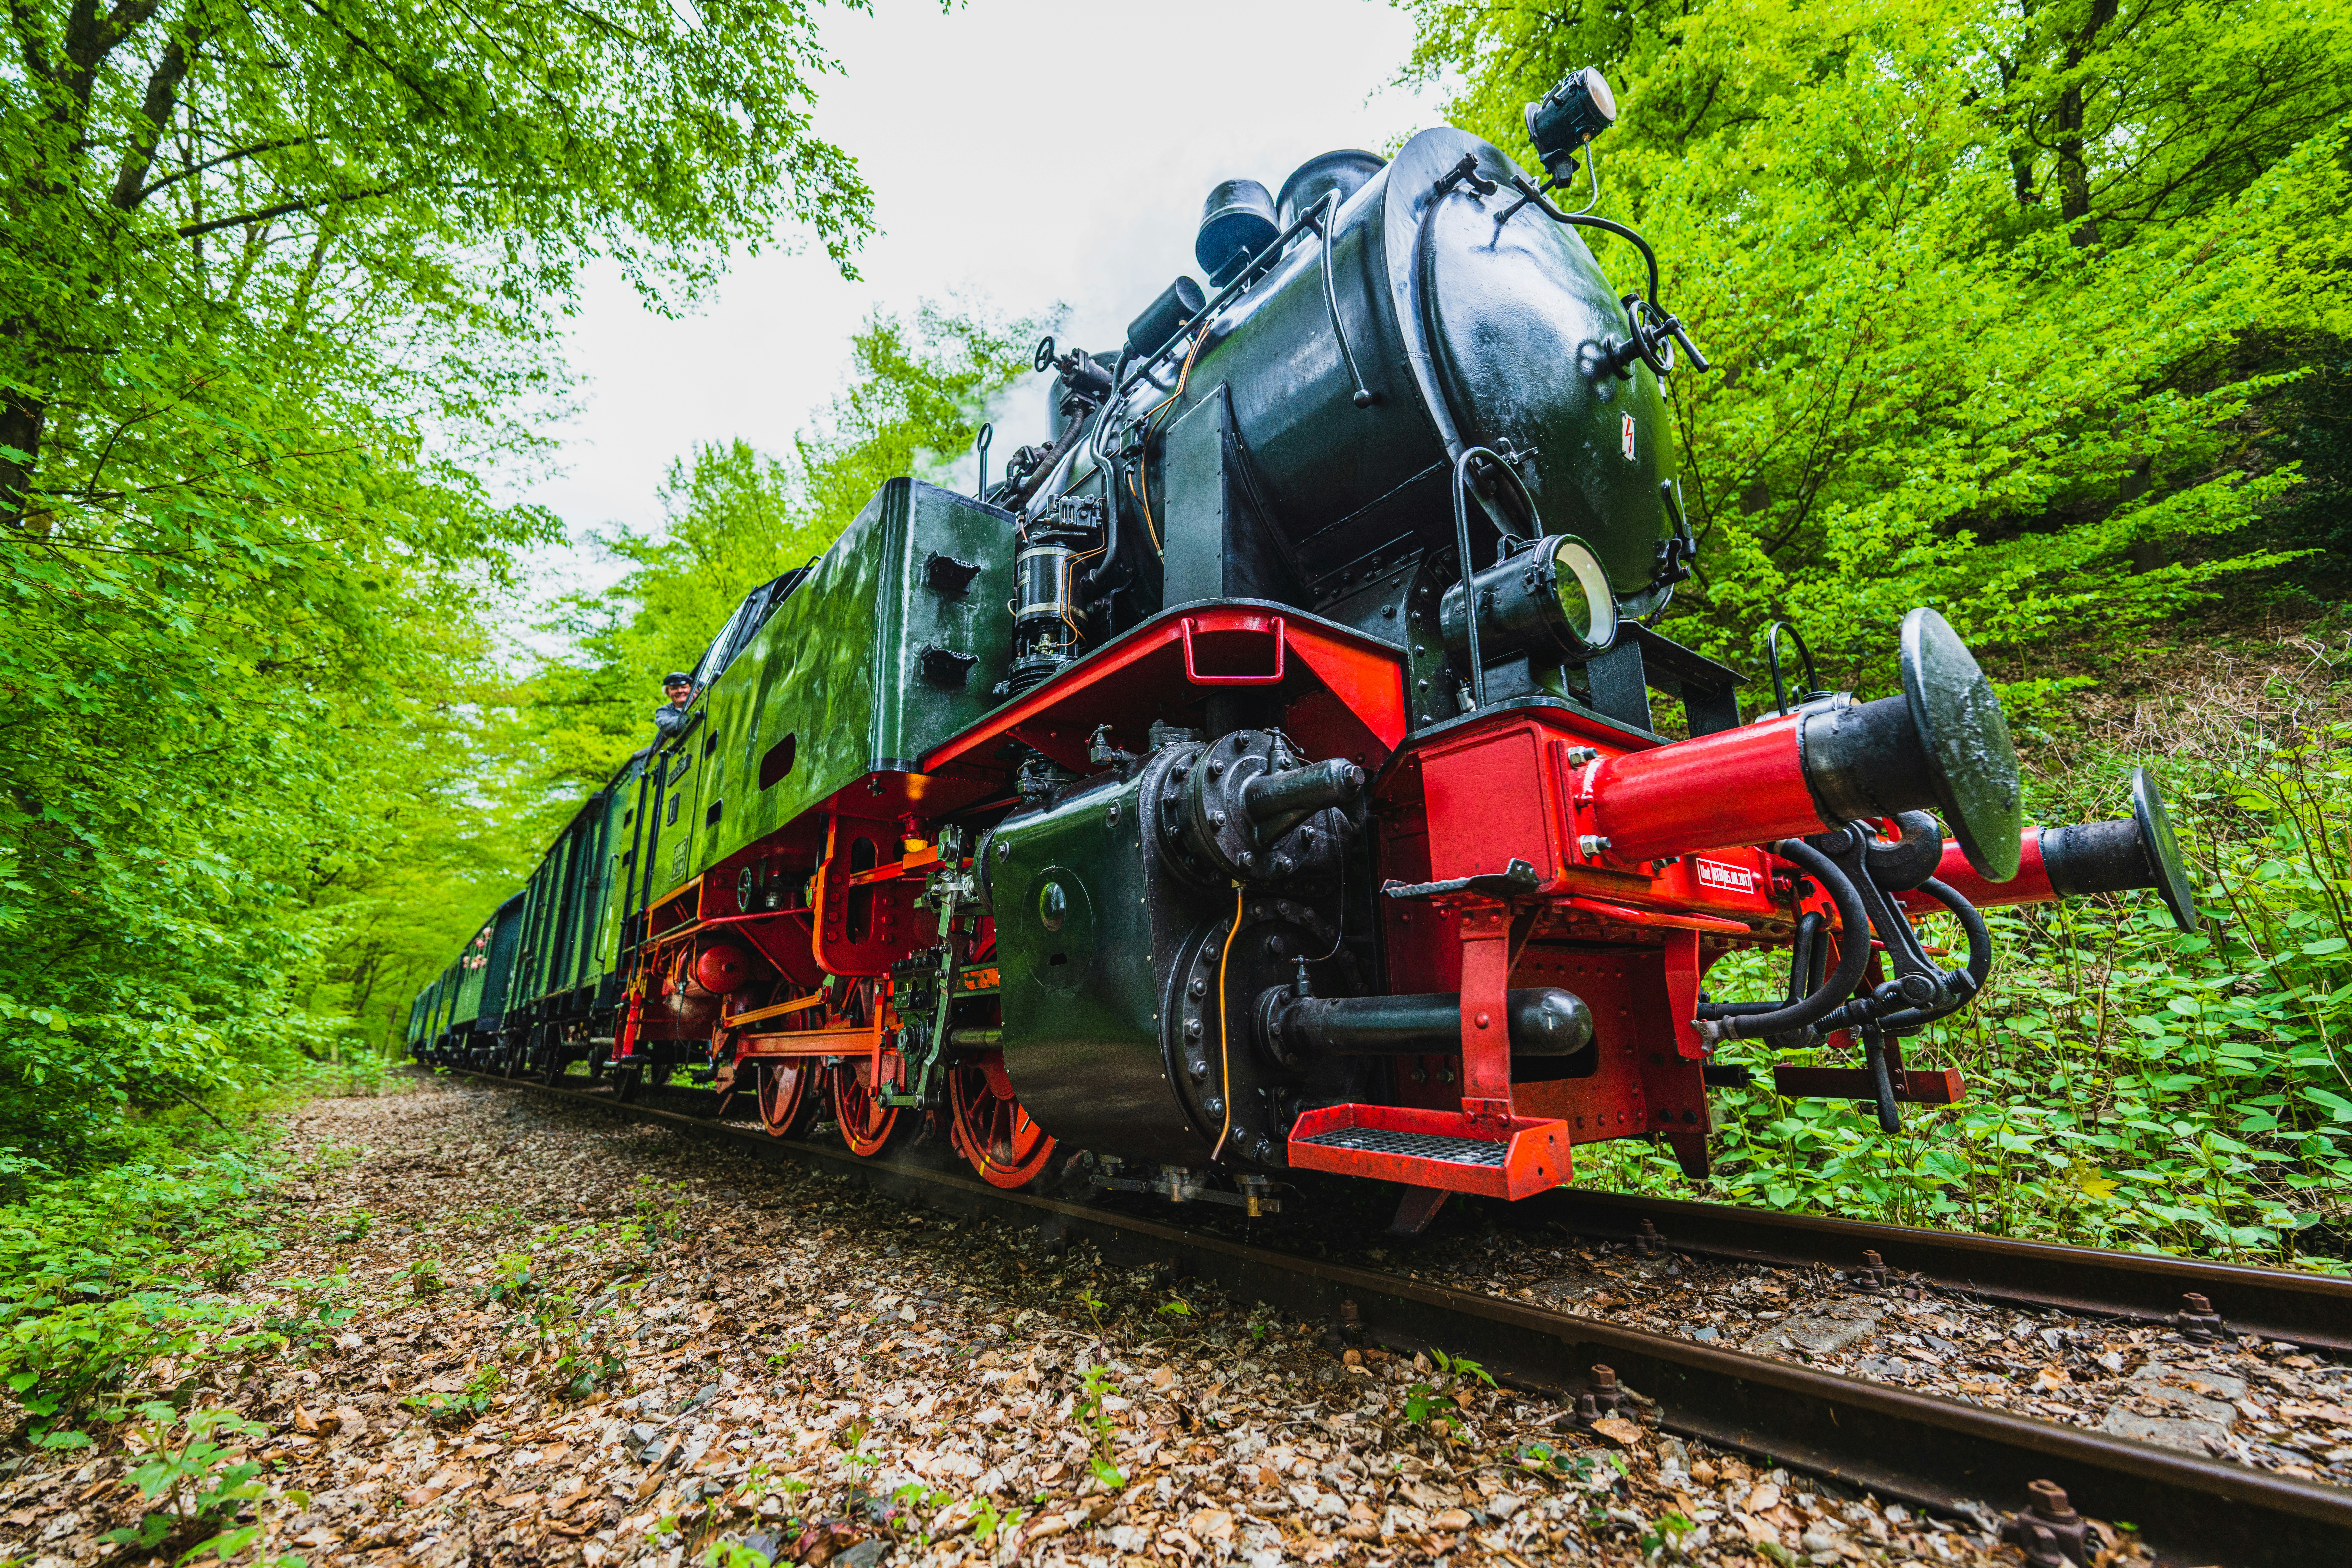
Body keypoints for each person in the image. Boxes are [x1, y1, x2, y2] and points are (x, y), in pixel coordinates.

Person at [654, 672, 695, 742]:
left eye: (684, 687)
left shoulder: (702, 701)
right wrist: (694, 716)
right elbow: (667, 726)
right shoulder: (664, 711)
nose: (680, 691)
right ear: (668, 693)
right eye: (674, 689)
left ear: (692, 689)